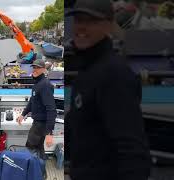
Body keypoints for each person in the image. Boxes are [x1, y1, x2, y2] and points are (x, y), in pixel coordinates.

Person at [65, 0, 151, 180]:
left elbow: (131, 149)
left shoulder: (114, 74)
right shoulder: (87, 69)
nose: (82, 27)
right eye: (79, 20)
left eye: (91, 21)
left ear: (108, 26)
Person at [16, 59, 57, 159]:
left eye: (38, 68)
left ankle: (32, 170)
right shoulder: (37, 84)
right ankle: (40, 169)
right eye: (34, 67)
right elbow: (32, 101)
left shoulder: (45, 85)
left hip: (40, 125)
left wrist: (49, 133)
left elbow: (51, 110)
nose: (35, 69)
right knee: (39, 149)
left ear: (43, 69)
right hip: (38, 123)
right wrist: (23, 114)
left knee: (29, 148)